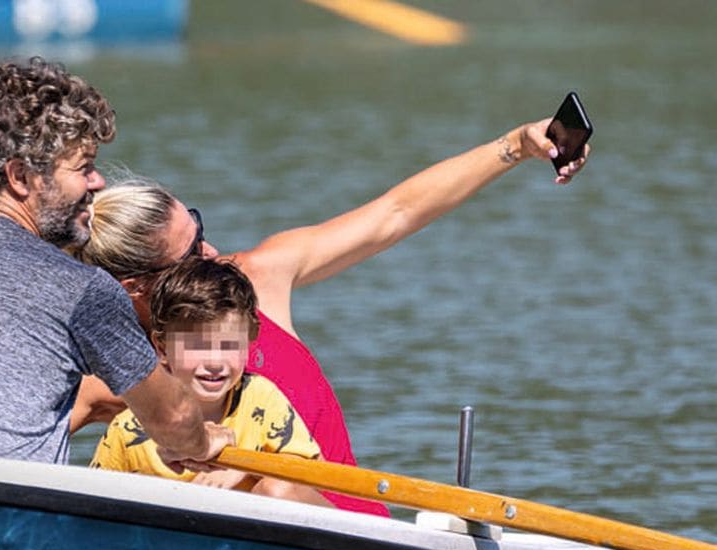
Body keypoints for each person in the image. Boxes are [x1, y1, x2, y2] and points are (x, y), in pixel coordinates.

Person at [74, 116, 589, 514]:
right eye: (191, 254)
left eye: (200, 228)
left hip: (347, 536)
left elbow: (395, 214)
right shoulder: (110, 373)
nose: (212, 253)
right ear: (134, 288)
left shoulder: (257, 278)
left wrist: (515, 145)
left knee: (274, 489)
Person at [0, 57, 231, 469]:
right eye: (83, 167)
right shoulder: (80, 288)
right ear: (20, 178)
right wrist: (202, 439)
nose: (97, 182)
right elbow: (173, 418)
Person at [93, 257, 331, 507]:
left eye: (229, 345)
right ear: (162, 349)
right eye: (198, 346)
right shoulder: (127, 429)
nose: (216, 362)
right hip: (178, 539)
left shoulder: (261, 396)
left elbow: (315, 474)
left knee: (277, 488)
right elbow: (95, 505)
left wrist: (246, 468)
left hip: (266, 536)